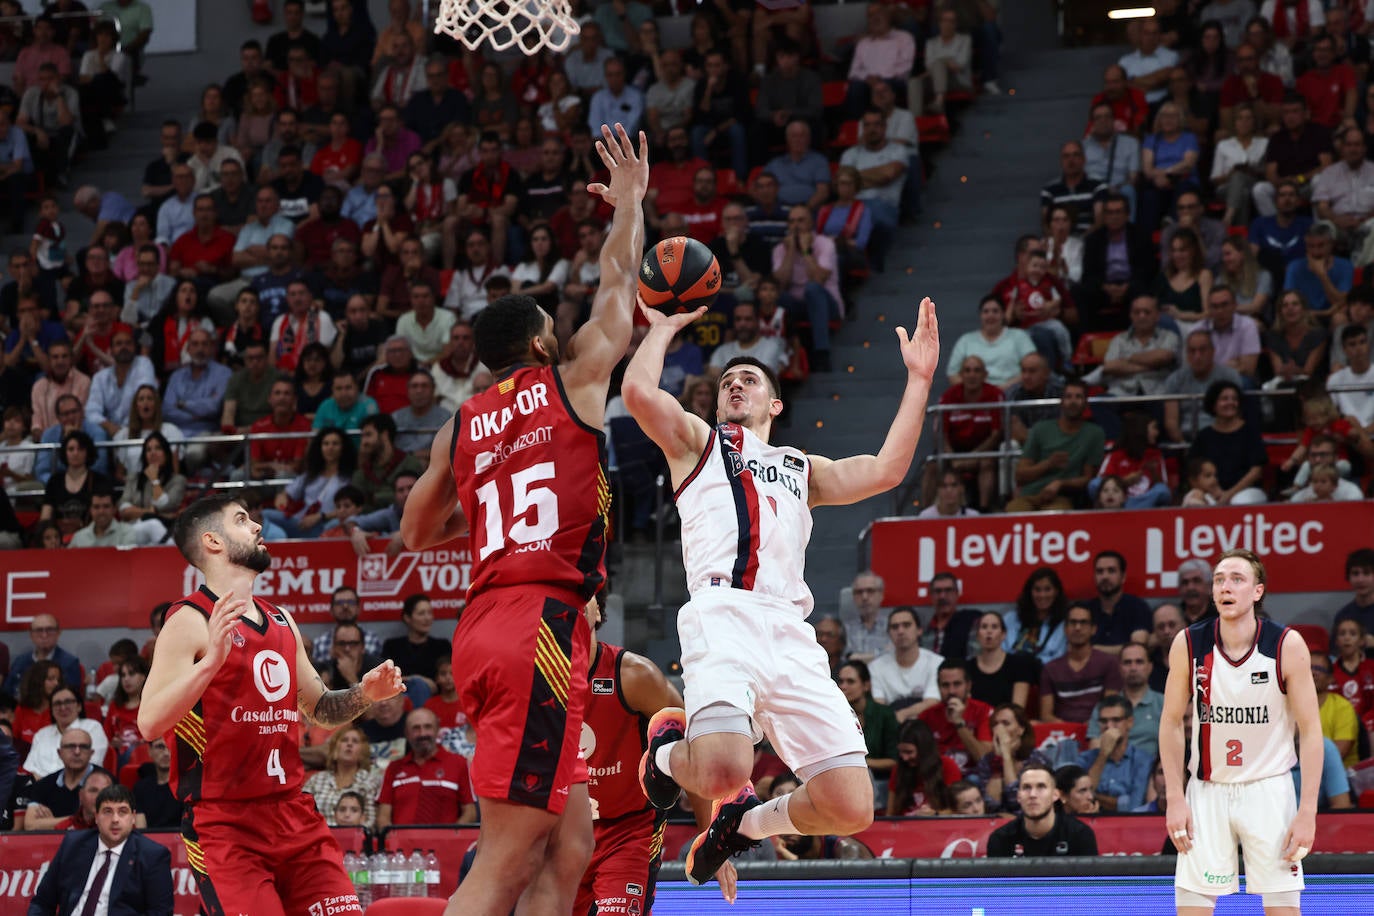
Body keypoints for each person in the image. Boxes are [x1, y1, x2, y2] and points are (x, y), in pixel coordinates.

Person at [400, 123, 648, 916]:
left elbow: (413, 533)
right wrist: (629, 205)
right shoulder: (575, 379)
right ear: (543, 339)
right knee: (507, 854)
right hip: (537, 622)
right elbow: (618, 287)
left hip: (489, 621)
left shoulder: (459, 425)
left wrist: (485, 519)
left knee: (571, 843)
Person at [623, 273, 938, 888]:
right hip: (724, 615)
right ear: (719, 404)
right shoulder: (699, 443)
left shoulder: (801, 468)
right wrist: (660, 328)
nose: (736, 383)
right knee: (717, 772)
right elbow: (638, 392)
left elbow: (886, 470)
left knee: (852, 807)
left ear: (775, 405)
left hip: (790, 634)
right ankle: (665, 746)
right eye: (727, 382)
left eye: (751, 379)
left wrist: (919, 381)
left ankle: (743, 825)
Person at [138, 494, 404, 914]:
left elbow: (319, 709)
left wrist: (365, 694)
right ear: (213, 541)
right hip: (225, 824)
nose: (258, 527)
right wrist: (211, 664)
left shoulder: (282, 620)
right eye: (242, 520)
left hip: (294, 814)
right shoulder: (188, 619)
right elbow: (150, 723)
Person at [1159, 549, 1322, 914]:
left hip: (1269, 788)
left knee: (1282, 907)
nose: (1225, 587)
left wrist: (1308, 809)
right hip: (1206, 790)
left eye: (1237, 579)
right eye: (1219, 580)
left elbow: (1311, 731)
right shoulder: (1189, 643)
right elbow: (1170, 722)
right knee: (1191, 905)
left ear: (1258, 591)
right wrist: (1174, 796)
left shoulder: (1286, 645)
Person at [576, 595, 727, 910]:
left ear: (598, 611)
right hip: (564, 831)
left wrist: (710, 839)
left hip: (629, 831)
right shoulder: (536, 681)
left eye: (585, 593)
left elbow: (693, 752)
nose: (575, 600)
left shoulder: (634, 675)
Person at [27, 783, 174, 915]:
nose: (115, 819)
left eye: (122, 812)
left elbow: (160, 912)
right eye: (108, 812)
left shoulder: (152, 855)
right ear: (96, 817)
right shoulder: (73, 845)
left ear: (133, 817)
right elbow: (42, 902)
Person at [1005, 380, 1105, 512]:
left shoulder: (1094, 433)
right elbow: (1020, 475)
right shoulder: (1040, 429)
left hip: (1062, 498)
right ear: (1061, 402)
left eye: (1078, 397)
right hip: (1030, 494)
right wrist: (1049, 463)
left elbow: (1088, 479)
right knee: (1013, 512)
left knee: (1055, 516)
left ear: (1086, 403)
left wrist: (1061, 483)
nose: (1073, 401)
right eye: (1068, 397)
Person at [376, 708, 477, 828]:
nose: (422, 733)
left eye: (428, 727)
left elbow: (470, 812)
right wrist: (391, 842)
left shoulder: (459, 764)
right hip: (401, 845)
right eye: (416, 728)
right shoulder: (393, 768)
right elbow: (383, 816)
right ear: (407, 733)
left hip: (444, 845)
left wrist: (451, 838)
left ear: (437, 729)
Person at [985, 762, 1099, 857]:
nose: (1033, 794)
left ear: (1055, 795)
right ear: (1018, 796)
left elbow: (1089, 883)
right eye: (1026, 787)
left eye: (1041, 787)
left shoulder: (1080, 835)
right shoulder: (1001, 839)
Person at [1039, 606, 1124, 724]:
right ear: (1065, 629)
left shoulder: (1109, 663)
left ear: (1093, 629)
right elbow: (1046, 715)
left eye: (1083, 622)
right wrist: (1071, 731)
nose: (1078, 628)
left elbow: (1110, 707)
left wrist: (1089, 727)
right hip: (1062, 733)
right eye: (1073, 622)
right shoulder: (1050, 669)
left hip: (1098, 730)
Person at [1077, 694, 1153, 812]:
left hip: (1130, 825)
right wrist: (1103, 755)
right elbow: (1080, 801)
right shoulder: (1085, 758)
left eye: (1116, 720)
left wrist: (1096, 797)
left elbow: (1134, 805)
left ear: (1130, 722)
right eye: (1103, 721)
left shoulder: (1144, 760)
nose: (1109, 726)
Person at [918, 659, 992, 775]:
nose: (951, 691)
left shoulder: (983, 711)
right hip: (939, 777)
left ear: (968, 685)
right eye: (945, 685)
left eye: (957, 684)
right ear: (938, 687)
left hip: (973, 777)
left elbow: (984, 759)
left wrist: (959, 723)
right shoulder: (926, 716)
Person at [1083, 549, 1153, 651]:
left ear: (1123, 577)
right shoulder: (1086, 610)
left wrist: (1093, 650)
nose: (1105, 576)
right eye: (1100, 571)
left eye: (1111, 571)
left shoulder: (1137, 607)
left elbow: (1137, 648)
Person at [3, 611, 83, 697]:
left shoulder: (69, 663)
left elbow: (71, 698)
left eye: (50, 630)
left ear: (58, 633)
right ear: (31, 635)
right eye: (39, 630)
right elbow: (7, 694)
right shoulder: (20, 662)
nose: (44, 635)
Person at [840, 570, 889, 663]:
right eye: (859, 592)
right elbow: (848, 658)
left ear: (881, 595)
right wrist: (881, 654)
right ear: (853, 597)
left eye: (870, 591)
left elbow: (894, 656)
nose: (865, 597)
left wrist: (859, 657)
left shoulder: (892, 625)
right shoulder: (846, 628)